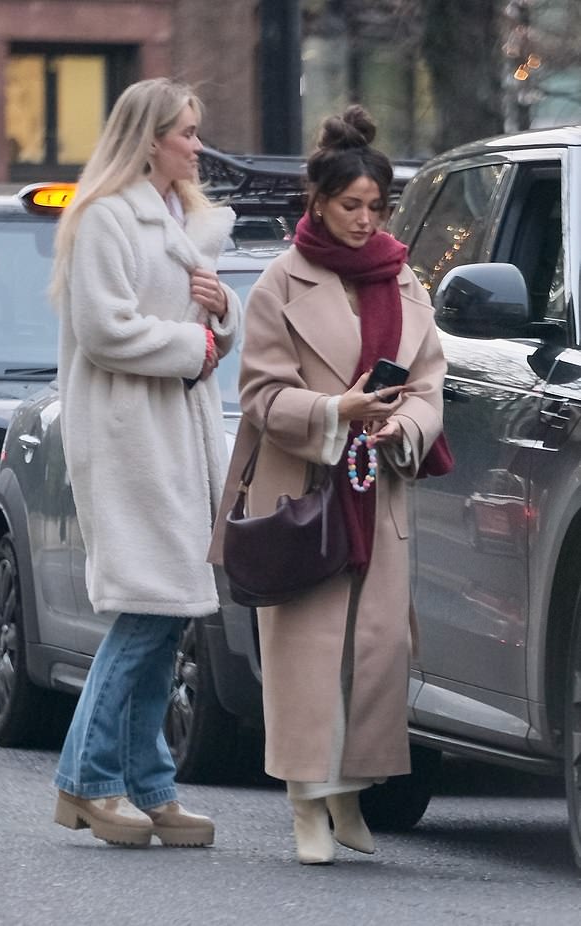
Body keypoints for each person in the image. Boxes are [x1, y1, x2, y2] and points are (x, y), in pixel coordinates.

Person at [209, 105, 449, 864]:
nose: (365, 220)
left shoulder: (403, 276)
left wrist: (402, 426)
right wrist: (334, 410)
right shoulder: (282, 280)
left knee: (375, 651)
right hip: (302, 486)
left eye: (376, 208)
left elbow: (430, 384)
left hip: (378, 483)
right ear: (316, 202)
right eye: (351, 206)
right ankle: (307, 800)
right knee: (307, 652)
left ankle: (348, 793)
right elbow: (262, 396)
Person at [49, 77, 241, 848]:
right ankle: (89, 780)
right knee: (145, 611)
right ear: (149, 137)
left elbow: (202, 328)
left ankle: (148, 782)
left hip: (177, 432)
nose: (197, 145)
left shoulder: (180, 218)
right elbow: (104, 329)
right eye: (186, 132)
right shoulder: (104, 218)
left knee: (169, 615)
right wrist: (196, 344)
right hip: (129, 436)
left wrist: (220, 314)